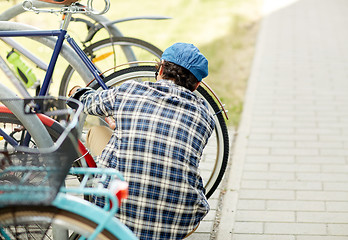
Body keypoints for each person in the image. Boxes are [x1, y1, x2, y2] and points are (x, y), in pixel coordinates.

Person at [69, 42, 215, 240]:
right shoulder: (205, 116)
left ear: (161, 69)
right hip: (177, 225)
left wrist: (76, 90)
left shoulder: (129, 90)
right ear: (197, 85)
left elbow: (88, 102)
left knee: (96, 132)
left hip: (114, 219)